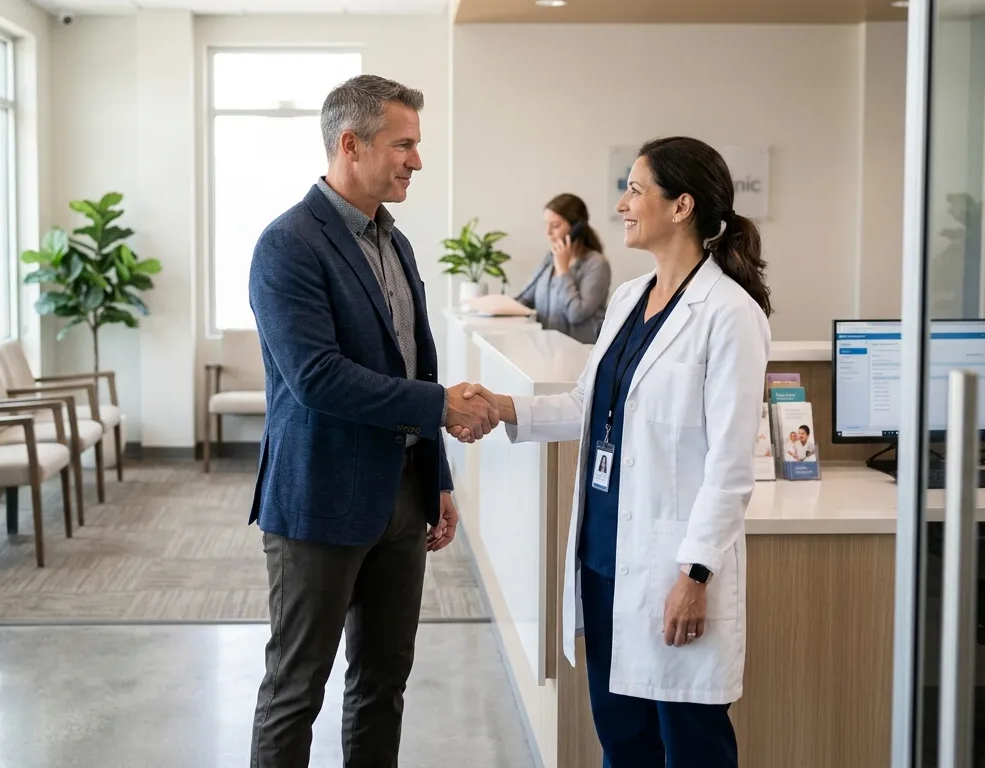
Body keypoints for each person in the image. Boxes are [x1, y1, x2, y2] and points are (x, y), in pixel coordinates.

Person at [453, 136, 772, 767]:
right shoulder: (629, 297)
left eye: (634, 189)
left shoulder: (729, 314)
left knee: (692, 746)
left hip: (672, 566)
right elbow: (587, 404)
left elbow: (731, 468)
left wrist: (695, 575)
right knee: (623, 742)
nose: (621, 204)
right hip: (604, 558)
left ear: (681, 206)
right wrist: (503, 406)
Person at [246, 74, 499, 768]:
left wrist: (436, 478)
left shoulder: (396, 242)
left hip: (403, 496)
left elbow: (413, 362)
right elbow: (317, 377)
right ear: (351, 144)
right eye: (403, 144)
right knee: (296, 690)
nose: (416, 160)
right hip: (320, 499)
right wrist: (440, 405)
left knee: (383, 684)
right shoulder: (288, 244)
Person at [514, 193, 612, 344]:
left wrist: (563, 270)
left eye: (555, 226)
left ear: (577, 228)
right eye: (546, 225)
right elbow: (526, 298)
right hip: (547, 349)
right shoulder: (550, 259)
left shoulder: (596, 264)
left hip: (579, 351)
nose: (548, 233)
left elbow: (576, 314)